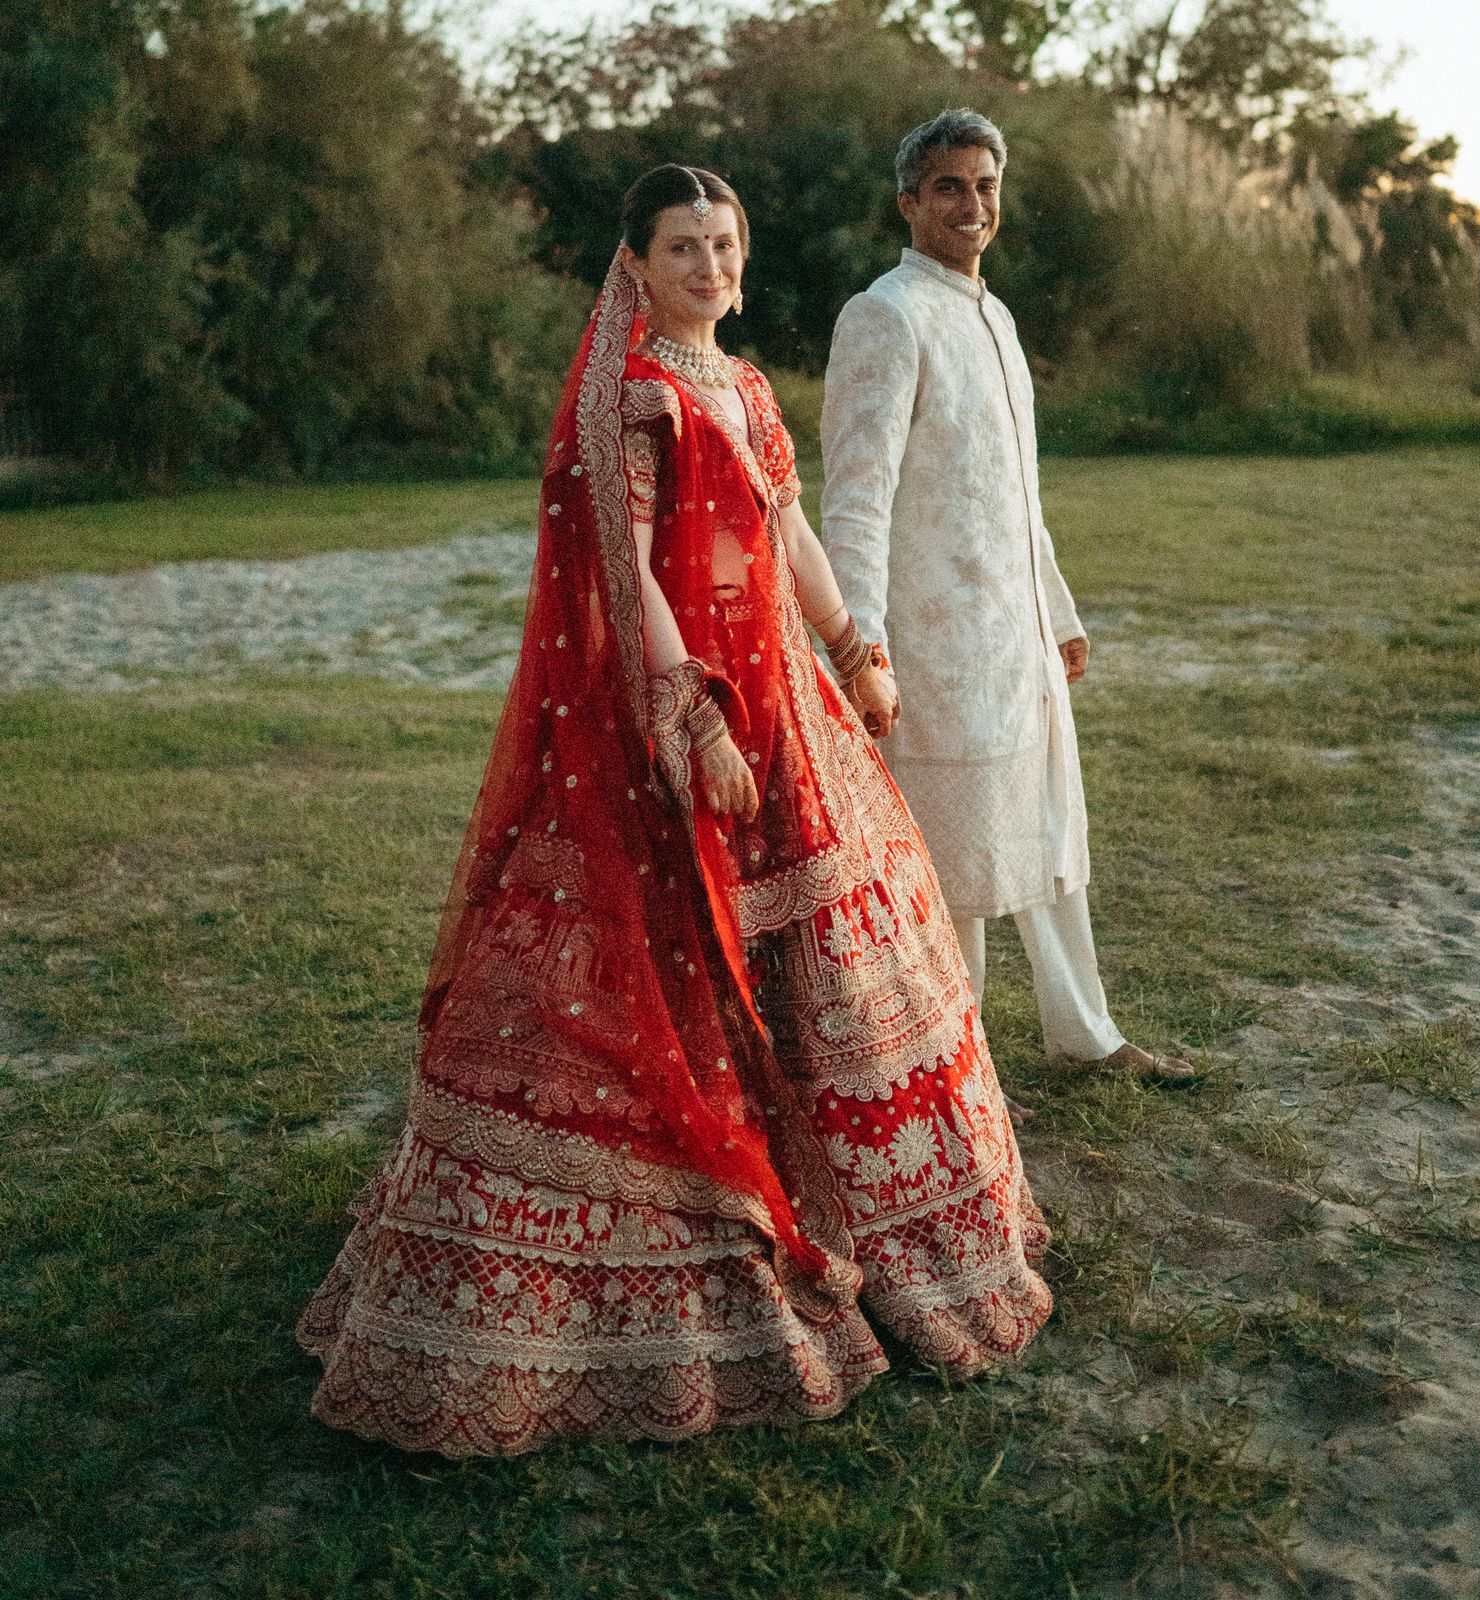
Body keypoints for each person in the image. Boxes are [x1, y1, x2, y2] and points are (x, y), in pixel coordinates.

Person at [297, 164, 1051, 1456]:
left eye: (725, 245)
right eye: (684, 248)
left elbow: (787, 529)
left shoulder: (746, 387)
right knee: (662, 958)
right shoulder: (633, 396)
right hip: (675, 712)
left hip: (786, 697)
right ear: (635, 266)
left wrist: (854, 648)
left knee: (847, 922)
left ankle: (888, 1229)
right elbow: (623, 566)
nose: (711, 267)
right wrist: (688, 714)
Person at [819, 110, 1194, 1088]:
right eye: (949, 187)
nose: (971, 205)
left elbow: (1013, 493)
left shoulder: (995, 315)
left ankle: (1087, 1037)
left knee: (1046, 831)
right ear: (909, 202)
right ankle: (951, 1069)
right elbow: (855, 497)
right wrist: (862, 647)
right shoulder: (886, 314)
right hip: (933, 643)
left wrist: (1056, 612)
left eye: (985, 185)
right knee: (951, 855)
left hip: (1014, 636)